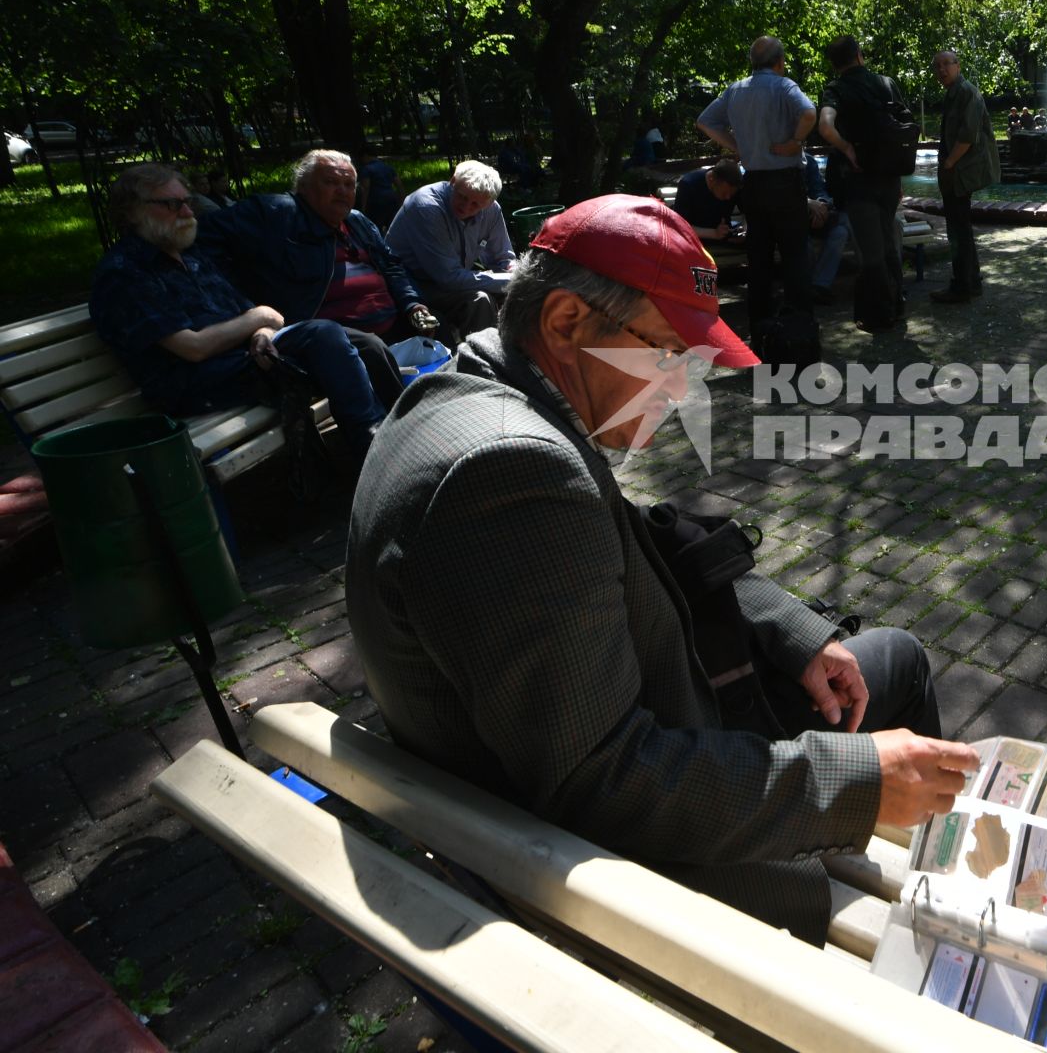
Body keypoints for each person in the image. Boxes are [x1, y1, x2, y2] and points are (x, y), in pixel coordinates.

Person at [344, 193, 977, 943]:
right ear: (567, 323)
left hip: (631, 721)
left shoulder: (483, 398)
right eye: (669, 355)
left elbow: (636, 540)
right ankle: (942, 930)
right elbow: (605, 782)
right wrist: (858, 782)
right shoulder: (510, 469)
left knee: (891, 659)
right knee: (895, 682)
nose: (682, 390)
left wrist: (797, 632)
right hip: (639, 879)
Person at [90, 163, 390, 458]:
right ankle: (374, 450)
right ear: (133, 212)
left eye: (187, 202)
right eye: (171, 204)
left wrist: (261, 332)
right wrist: (260, 319)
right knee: (324, 336)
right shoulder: (125, 273)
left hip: (242, 359)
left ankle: (403, 431)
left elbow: (248, 313)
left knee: (365, 344)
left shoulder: (191, 256)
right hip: (195, 383)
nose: (186, 212)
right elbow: (193, 348)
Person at [198, 148, 425, 406]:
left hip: (386, 323)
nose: (342, 191)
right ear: (303, 186)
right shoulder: (273, 214)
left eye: (349, 184)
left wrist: (411, 304)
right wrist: (250, 309)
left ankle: (450, 409)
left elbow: (391, 265)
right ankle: (401, 428)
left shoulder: (357, 221)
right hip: (330, 336)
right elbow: (201, 244)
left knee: (433, 321)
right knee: (370, 347)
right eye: (330, 182)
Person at [697, 36, 817, 323]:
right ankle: (799, 325)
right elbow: (809, 112)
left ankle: (761, 326)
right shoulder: (784, 85)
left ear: (753, 63)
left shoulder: (735, 90)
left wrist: (737, 145)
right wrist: (795, 141)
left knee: (759, 260)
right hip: (786, 184)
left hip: (753, 186)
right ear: (780, 62)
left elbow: (705, 121)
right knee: (795, 257)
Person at [817, 36, 908, 332]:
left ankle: (879, 316)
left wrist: (847, 149)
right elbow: (902, 126)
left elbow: (825, 127)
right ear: (859, 54)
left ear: (834, 63)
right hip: (889, 176)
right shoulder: (886, 83)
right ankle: (897, 304)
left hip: (858, 180)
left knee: (871, 251)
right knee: (887, 242)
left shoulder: (835, 90)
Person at [385, 160, 517, 347]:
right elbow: (448, 277)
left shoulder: (491, 209)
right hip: (414, 285)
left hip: (450, 279)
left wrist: (512, 270)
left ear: (487, 202)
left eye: (475, 204)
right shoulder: (427, 207)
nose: (466, 207)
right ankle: (482, 360)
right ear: (453, 181)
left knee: (518, 295)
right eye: (462, 197)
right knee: (479, 300)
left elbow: (503, 256)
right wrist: (510, 280)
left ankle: (519, 358)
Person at [932, 49, 999, 304]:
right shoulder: (954, 93)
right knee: (960, 228)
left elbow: (968, 136)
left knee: (958, 230)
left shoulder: (966, 92)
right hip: (957, 171)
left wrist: (949, 163)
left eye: (946, 64)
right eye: (937, 66)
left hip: (960, 172)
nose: (941, 70)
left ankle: (963, 287)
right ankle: (970, 282)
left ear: (958, 66)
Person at [804, 153, 849, 305]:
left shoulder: (808, 160)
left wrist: (821, 205)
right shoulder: (777, 162)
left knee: (840, 233)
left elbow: (819, 189)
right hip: (793, 219)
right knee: (803, 243)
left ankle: (820, 285)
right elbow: (783, 196)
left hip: (815, 218)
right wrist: (809, 204)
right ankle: (806, 287)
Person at [670, 159, 744, 242]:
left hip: (725, 237)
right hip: (695, 240)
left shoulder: (734, 186)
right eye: (724, 193)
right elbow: (680, 226)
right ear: (712, 180)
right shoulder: (689, 185)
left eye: (732, 194)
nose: (728, 198)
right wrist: (714, 233)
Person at [358, 154, 402, 229]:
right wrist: (402, 200)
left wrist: (363, 207)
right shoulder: (388, 167)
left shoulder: (366, 169)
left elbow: (366, 188)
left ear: (365, 156)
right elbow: (399, 185)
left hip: (376, 201)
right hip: (391, 199)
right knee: (392, 226)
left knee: (376, 227)